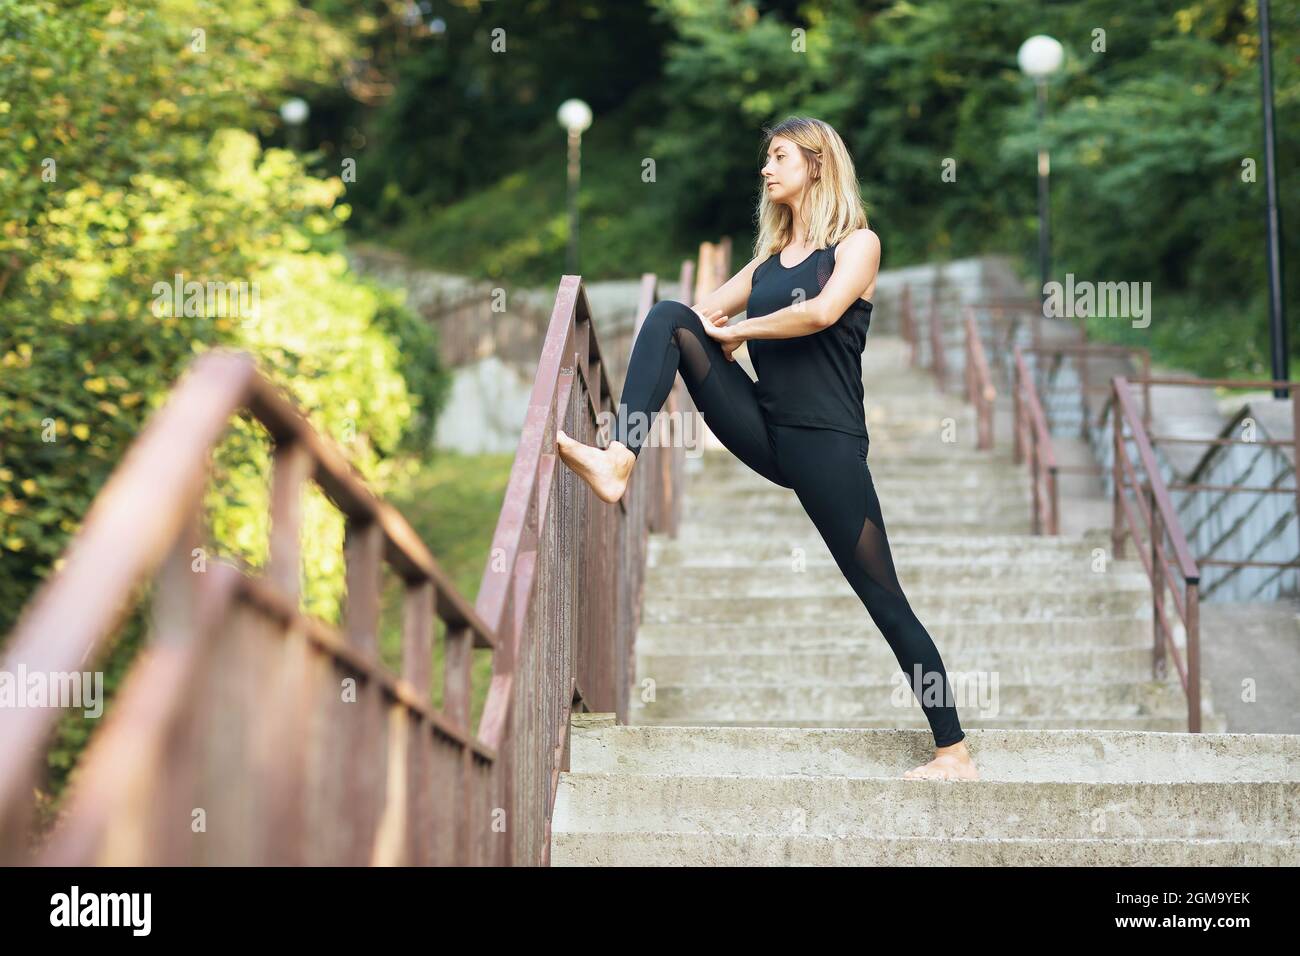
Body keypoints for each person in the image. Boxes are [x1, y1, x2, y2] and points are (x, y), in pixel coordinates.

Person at [555, 116, 978, 782]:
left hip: (827, 447)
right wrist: (712, 332)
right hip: (765, 426)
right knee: (669, 318)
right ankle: (619, 459)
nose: (765, 169)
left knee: (883, 598)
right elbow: (697, 324)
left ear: (815, 164)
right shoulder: (763, 266)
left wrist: (743, 330)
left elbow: (818, 314)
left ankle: (953, 751)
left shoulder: (857, 246)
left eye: (778, 157)